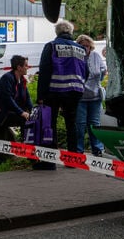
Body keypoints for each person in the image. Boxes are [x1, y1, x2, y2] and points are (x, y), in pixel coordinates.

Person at [36, 19, 87, 165]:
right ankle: (73, 159)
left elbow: (45, 71)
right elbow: (86, 71)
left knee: (50, 123)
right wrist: (80, 85)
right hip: (74, 92)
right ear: (71, 32)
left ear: (57, 32)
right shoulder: (80, 49)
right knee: (71, 124)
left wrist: (41, 95)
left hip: (55, 91)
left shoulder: (51, 46)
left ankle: (51, 159)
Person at [74, 34, 107, 155]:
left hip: (95, 96)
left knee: (95, 124)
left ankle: (97, 149)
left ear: (91, 47)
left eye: (87, 46)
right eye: (82, 46)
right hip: (80, 97)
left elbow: (103, 70)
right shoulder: (75, 58)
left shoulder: (96, 56)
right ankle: (78, 151)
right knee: (80, 125)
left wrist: (98, 80)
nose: (85, 48)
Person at [0, 54, 33, 129]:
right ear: (19, 67)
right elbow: (7, 99)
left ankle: (25, 139)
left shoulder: (22, 80)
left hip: (8, 111)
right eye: (26, 65)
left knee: (32, 118)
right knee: (24, 119)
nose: (28, 67)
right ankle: (23, 140)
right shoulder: (7, 78)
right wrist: (21, 112)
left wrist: (33, 111)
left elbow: (27, 98)